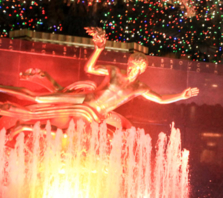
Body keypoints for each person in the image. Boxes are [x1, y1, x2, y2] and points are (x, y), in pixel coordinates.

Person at [0, 27, 199, 139]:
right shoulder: (114, 71)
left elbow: (161, 99)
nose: (129, 69)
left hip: (95, 114)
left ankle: (22, 127)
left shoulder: (140, 88)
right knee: (37, 98)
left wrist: (182, 95)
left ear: (141, 70)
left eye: (133, 68)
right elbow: (89, 69)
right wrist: (98, 49)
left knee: (66, 135)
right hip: (84, 100)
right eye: (129, 65)